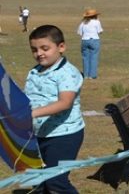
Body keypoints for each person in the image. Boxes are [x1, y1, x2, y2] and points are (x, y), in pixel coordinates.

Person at [25, 25, 84, 193]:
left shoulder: (67, 73)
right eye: (34, 49)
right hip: (38, 134)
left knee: (56, 181)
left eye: (45, 48)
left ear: (61, 47)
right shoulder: (34, 72)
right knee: (38, 182)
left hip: (63, 136)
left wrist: (32, 114)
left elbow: (65, 103)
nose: (39, 53)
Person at [77, 8, 103, 79]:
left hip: (84, 40)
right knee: (94, 57)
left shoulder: (83, 23)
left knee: (85, 58)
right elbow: (100, 31)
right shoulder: (97, 22)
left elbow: (79, 33)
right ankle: (92, 75)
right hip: (94, 40)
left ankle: (86, 75)